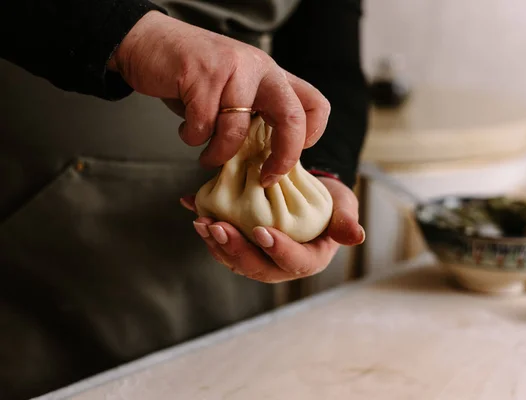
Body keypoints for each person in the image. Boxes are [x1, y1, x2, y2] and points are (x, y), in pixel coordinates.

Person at [0, 0, 369, 398]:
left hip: (215, 246)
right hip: (27, 200)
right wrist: (129, 34)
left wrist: (322, 170)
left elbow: (327, 59)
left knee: (211, 379)